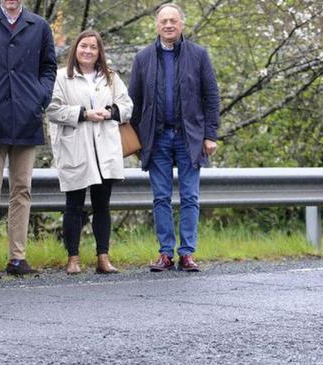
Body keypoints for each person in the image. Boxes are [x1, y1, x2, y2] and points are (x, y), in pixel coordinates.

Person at [0, 0, 57, 278]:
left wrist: (38, 97)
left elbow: (49, 67)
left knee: (22, 189)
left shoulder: (39, 26)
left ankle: (18, 257)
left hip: (26, 116)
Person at [128, 3, 220, 272]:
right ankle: (166, 253)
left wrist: (210, 135)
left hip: (189, 137)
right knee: (161, 198)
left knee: (190, 197)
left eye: (173, 21)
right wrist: (137, 139)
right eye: (163, 21)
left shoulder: (199, 55)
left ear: (182, 24)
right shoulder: (143, 58)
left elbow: (211, 97)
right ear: (157, 25)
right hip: (156, 139)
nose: (168, 25)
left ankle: (187, 253)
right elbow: (134, 101)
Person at [48, 30, 133, 275]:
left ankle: (103, 257)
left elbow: (128, 106)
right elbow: (53, 110)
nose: (87, 51)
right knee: (74, 205)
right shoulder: (62, 77)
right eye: (83, 46)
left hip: (104, 149)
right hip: (76, 148)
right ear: (76, 49)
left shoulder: (111, 77)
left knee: (102, 205)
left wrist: (111, 112)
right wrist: (83, 114)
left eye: (93, 47)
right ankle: (73, 258)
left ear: (99, 52)